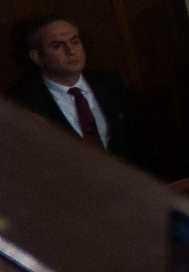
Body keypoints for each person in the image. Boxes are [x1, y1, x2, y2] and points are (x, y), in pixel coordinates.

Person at [11, 14, 154, 170]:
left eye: (75, 41)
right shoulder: (24, 103)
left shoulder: (109, 82)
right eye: (57, 46)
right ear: (37, 57)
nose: (71, 51)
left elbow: (136, 139)